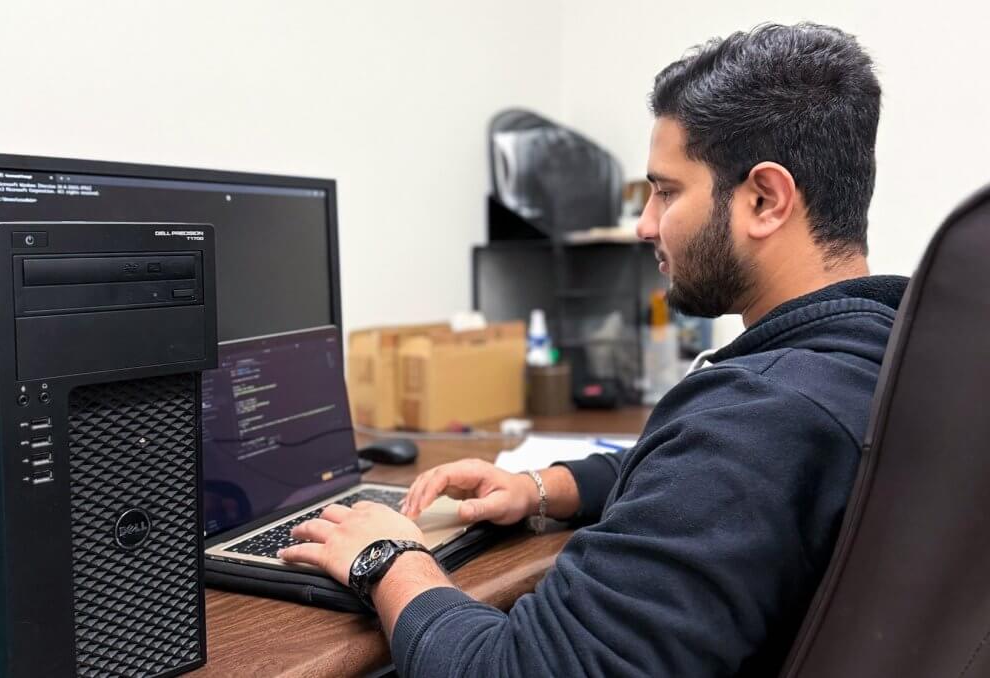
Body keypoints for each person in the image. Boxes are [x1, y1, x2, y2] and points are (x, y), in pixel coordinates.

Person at [280, 22, 909, 677]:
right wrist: (542, 488)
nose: (643, 225)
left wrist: (391, 558)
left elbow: (518, 669)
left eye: (665, 192)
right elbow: (701, 485)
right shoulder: (881, 353)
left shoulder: (756, 420)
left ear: (764, 199)